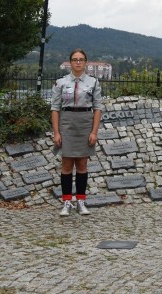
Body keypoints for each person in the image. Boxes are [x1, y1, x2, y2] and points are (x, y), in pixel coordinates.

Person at [51, 49, 102, 216]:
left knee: (82, 165)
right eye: (75, 59)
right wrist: (56, 132)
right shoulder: (61, 83)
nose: (78, 62)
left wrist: (94, 132)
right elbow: (55, 109)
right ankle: (67, 202)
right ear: (70, 62)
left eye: (81, 59)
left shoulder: (93, 82)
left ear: (85, 62)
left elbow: (97, 109)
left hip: (85, 123)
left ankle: (80, 201)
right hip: (67, 123)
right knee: (66, 165)